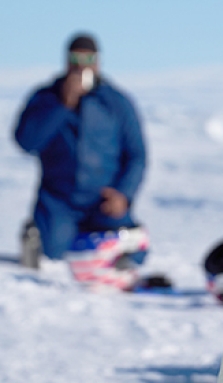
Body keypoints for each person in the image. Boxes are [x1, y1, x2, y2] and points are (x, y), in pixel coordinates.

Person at [14, 33, 148, 285]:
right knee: (52, 256)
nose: (81, 64)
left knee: (132, 253)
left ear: (98, 61)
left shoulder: (116, 102)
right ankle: (37, 236)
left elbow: (137, 155)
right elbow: (26, 141)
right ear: (66, 60)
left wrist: (123, 194)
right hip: (58, 201)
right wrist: (62, 104)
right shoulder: (46, 97)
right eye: (75, 57)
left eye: (88, 58)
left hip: (103, 200)